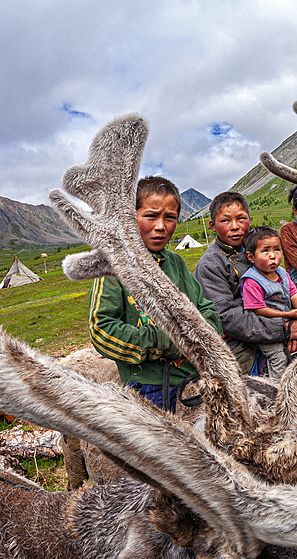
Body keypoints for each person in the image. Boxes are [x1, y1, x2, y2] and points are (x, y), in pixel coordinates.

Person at [89, 176, 222, 411]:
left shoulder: (176, 264)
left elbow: (207, 312)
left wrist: (202, 334)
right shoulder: (112, 267)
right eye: (151, 216)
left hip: (193, 380)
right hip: (147, 387)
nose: (160, 226)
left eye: (169, 218)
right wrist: (168, 340)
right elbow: (102, 330)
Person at [194, 191, 297, 374]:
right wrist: (284, 329)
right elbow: (226, 317)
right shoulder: (210, 265)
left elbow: (285, 285)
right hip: (237, 338)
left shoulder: (259, 251)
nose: (234, 227)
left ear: (249, 220)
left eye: (241, 219)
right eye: (225, 221)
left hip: (277, 322)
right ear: (212, 226)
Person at [240, 226, 297, 380]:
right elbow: (260, 310)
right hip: (265, 330)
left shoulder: (282, 273)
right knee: (278, 357)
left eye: (277, 249)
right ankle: (276, 388)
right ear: (250, 257)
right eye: (265, 251)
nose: (273, 256)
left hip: (286, 321)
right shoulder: (252, 281)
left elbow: (293, 293)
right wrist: (287, 314)